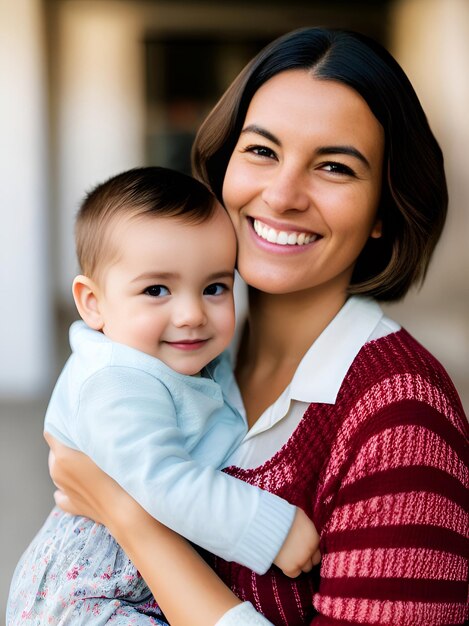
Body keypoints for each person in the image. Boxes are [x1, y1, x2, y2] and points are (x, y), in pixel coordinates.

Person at [28, 26, 469, 626]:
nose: (283, 194)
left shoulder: (401, 414)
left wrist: (128, 516)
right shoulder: (184, 350)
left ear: (383, 214)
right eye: (261, 151)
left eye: (335, 167)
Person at [7, 166, 321, 625]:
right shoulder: (112, 378)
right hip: (87, 594)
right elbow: (163, 481)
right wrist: (271, 528)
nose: (192, 313)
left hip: (138, 581)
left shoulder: (187, 362)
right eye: (156, 289)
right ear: (93, 302)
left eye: (215, 287)